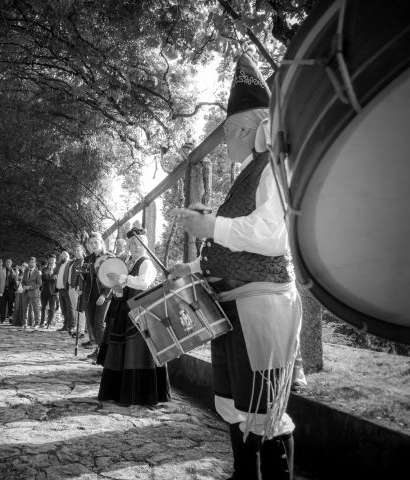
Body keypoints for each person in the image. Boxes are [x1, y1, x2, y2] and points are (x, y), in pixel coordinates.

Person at [171, 52, 302, 480]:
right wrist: (190, 268)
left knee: (266, 407)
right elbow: (232, 246)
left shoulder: (273, 171)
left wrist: (211, 223)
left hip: (261, 307)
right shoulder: (250, 173)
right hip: (231, 309)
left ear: (249, 128)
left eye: (230, 131)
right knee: (233, 402)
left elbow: (272, 237)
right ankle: (244, 476)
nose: (227, 140)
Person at [98, 227, 171, 405]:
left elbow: (144, 283)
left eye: (140, 244)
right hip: (125, 311)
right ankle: (118, 391)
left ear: (146, 246)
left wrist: (122, 278)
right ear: (129, 246)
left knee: (137, 352)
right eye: (133, 244)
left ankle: (141, 393)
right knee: (124, 351)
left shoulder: (146, 263)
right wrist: (116, 287)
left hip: (141, 314)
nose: (136, 247)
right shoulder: (129, 262)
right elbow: (123, 285)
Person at [80, 232, 112, 361]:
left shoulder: (109, 258)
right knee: (92, 324)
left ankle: (105, 355)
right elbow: (85, 278)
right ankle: (98, 350)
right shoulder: (88, 259)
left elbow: (113, 279)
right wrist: (81, 279)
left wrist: (104, 295)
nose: (93, 245)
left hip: (104, 295)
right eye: (91, 243)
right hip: (90, 295)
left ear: (101, 243)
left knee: (99, 323)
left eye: (96, 242)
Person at [68, 245, 87, 340]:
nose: (76, 252)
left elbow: (82, 275)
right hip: (71, 287)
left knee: (80, 309)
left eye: (78, 250)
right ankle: (76, 328)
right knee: (75, 309)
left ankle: (82, 330)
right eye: (75, 250)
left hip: (78, 288)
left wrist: (79, 287)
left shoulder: (83, 261)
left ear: (82, 251)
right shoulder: (73, 261)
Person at [54, 251, 74, 332]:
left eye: (62, 257)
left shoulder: (70, 263)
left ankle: (71, 325)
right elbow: (54, 274)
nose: (61, 258)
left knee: (69, 308)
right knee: (63, 309)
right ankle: (65, 325)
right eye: (60, 257)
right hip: (60, 290)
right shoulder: (59, 264)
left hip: (67, 289)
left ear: (67, 256)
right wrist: (54, 276)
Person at [22, 256, 42, 328]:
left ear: (35, 263)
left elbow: (39, 284)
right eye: (30, 262)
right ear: (28, 263)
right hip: (26, 292)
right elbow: (23, 281)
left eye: (33, 262)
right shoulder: (26, 271)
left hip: (34, 292)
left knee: (36, 308)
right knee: (25, 308)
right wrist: (24, 286)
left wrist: (30, 287)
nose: (31, 263)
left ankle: (37, 323)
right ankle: (25, 323)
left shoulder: (37, 272)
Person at [39, 255, 58, 328]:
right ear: (48, 260)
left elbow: (57, 279)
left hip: (53, 291)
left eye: (53, 260)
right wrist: (44, 274)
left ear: (55, 260)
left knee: (52, 308)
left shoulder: (57, 269)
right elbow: (42, 279)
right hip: (44, 290)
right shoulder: (44, 269)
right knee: (43, 307)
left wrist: (54, 276)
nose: (51, 261)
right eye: (50, 260)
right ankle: (42, 322)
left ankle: (49, 323)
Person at [0, 259, 17, 323]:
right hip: (3, 290)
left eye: (9, 262)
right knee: (2, 305)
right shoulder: (1, 270)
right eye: (7, 262)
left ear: (11, 263)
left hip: (11, 290)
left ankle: (10, 319)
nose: (8, 263)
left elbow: (16, 281)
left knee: (11, 306)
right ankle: (2, 319)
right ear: (5, 263)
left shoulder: (14, 271)